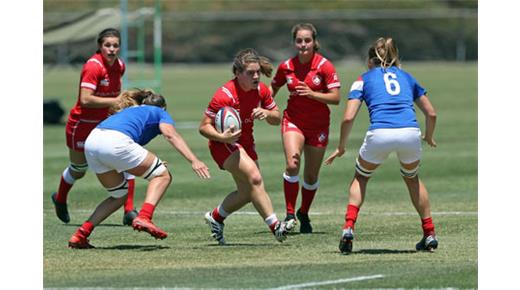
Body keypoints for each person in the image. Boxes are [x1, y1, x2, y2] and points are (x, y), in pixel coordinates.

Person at [324, 37, 438, 254]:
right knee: (412, 178)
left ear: (369, 61)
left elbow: (348, 118)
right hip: (410, 133)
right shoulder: (407, 76)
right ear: (396, 59)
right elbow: (431, 113)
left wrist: (341, 147)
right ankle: (429, 233)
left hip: (380, 133)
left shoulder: (362, 79)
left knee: (361, 177)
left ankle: (348, 228)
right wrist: (429, 137)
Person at [68, 89, 211, 249]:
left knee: (118, 195)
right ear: (164, 107)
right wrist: (194, 160)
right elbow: (170, 135)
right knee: (163, 176)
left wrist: (151, 164)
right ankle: (144, 217)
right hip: (115, 141)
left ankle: (80, 235)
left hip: (92, 141)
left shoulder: (131, 110)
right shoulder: (160, 112)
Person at [199, 48, 289, 245]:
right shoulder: (224, 95)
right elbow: (203, 126)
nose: (256, 76)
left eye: (257, 71)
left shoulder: (261, 91)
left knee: (248, 192)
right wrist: (222, 137)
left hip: (246, 142)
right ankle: (276, 226)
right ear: (238, 74)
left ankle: (216, 217)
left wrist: (267, 113)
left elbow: (277, 118)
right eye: (250, 73)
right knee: (255, 178)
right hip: (223, 144)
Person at [51, 28, 138, 226]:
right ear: (99, 46)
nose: (112, 49)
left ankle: (129, 210)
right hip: (82, 125)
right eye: (107, 45)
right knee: (79, 169)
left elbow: (117, 90)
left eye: (116, 45)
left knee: (126, 159)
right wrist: (116, 100)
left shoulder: (120, 65)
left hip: (106, 124)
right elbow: (85, 100)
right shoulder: (93, 66)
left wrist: (124, 104)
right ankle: (60, 198)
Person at [270, 23, 341, 233]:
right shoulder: (286, 66)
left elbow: (336, 98)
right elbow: (272, 88)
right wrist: (265, 106)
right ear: (294, 42)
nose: (303, 44)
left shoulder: (325, 66)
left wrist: (311, 94)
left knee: (311, 176)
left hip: (318, 126)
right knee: (293, 165)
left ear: (314, 42)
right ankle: (290, 214)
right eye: (299, 40)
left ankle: (304, 212)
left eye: (307, 40)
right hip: (293, 121)